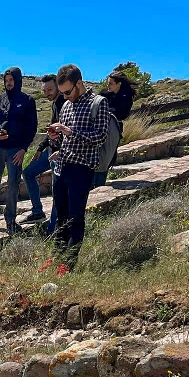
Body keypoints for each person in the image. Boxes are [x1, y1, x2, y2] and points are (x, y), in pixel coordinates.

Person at [48, 64, 113, 269]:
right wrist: (55, 138)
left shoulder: (98, 103)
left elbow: (100, 137)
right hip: (62, 166)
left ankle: (69, 264)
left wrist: (70, 132)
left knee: (75, 217)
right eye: (62, 93)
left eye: (68, 92)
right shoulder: (66, 106)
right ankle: (56, 257)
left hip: (82, 168)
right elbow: (64, 141)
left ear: (79, 83)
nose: (65, 96)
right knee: (60, 215)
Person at [0, 67, 38, 234]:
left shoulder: (27, 101)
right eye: (6, 80)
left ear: (18, 80)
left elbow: (32, 128)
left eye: (11, 80)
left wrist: (23, 149)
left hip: (15, 150)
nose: (8, 83)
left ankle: (11, 221)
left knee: (13, 183)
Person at [21, 75, 64, 224]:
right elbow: (52, 131)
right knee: (28, 173)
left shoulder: (64, 103)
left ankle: (54, 227)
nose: (47, 94)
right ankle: (37, 211)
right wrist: (40, 148)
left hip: (61, 153)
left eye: (50, 90)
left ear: (58, 87)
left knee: (57, 189)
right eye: (44, 91)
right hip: (50, 150)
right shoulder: (55, 104)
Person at [91, 72, 136, 188]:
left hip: (113, 129)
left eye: (110, 83)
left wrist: (107, 112)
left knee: (107, 156)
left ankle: (99, 184)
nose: (108, 86)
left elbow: (123, 114)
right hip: (98, 128)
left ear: (118, 84)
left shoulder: (126, 98)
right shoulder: (104, 95)